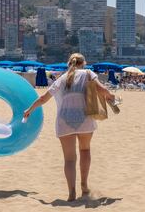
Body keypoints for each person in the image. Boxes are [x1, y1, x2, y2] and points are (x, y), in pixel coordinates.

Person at [23, 53, 115, 201]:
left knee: (69, 159)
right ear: (83, 63)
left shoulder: (62, 78)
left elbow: (43, 98)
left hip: (64, 121)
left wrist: (29, 110)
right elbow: (101, 89)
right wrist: (111, 97)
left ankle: (72, 193)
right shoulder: (88, 73)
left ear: (69, 64)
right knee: (85, 150)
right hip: (84, 119)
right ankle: (84, 186)